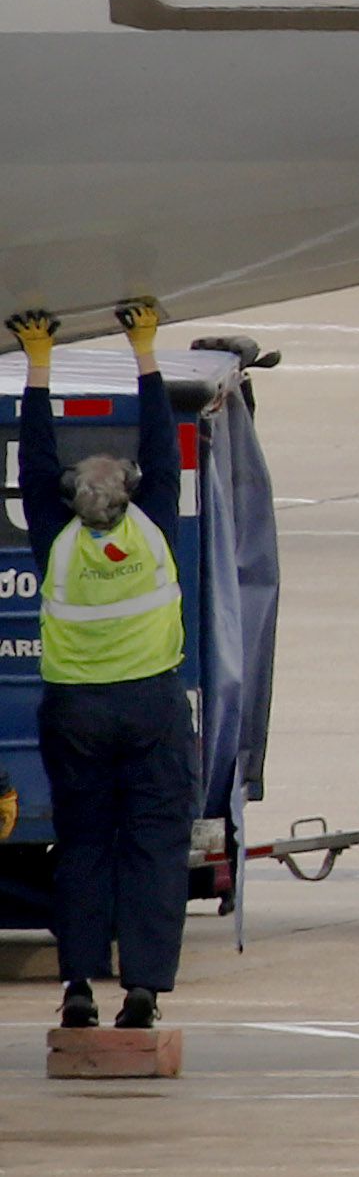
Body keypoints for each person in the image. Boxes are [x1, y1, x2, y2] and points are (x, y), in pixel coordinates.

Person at [10, 301, 193, 1034]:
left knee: (83, 843)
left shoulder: (56, 543)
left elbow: (33, 459)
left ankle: (79, 983)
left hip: (76, 711)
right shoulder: (153, 530)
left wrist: (37, 364)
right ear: (130, 493)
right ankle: (143, 988)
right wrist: (145, 352)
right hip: (150, 706)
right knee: (152, 844)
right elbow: (165, 442)